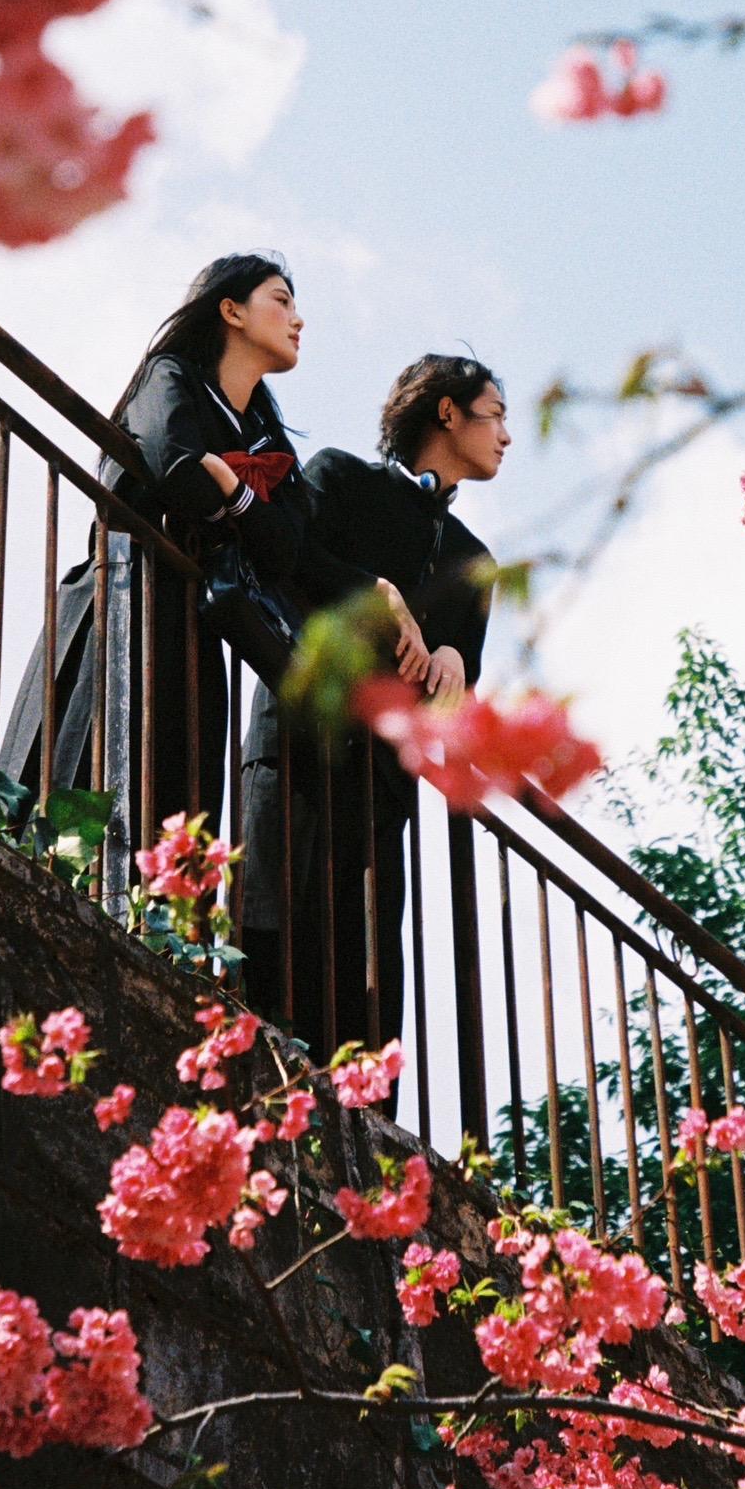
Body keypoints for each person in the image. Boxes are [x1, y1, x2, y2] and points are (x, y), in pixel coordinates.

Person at [0, 254, 427, 844]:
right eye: (282, 301)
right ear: (232, 311)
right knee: (82, 769)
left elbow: (287, 548)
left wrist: (377, 587)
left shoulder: (266, 435)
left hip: (194, 630)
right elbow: (177, 471)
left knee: (173, 806)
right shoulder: (169, 376)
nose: (298, 320)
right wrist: (242, 507)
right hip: (124, 599)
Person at [242, 355, 510, 1074]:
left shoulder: (473, 560)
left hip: (379, 793)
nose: (507, 436)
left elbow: (457, 693)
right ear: (447, 413)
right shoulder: (339, 478)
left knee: (360, 991)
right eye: (495, 413)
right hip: (298, 749)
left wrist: (455, 661)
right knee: (263, 938)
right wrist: (376, 594)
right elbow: (289, 564)